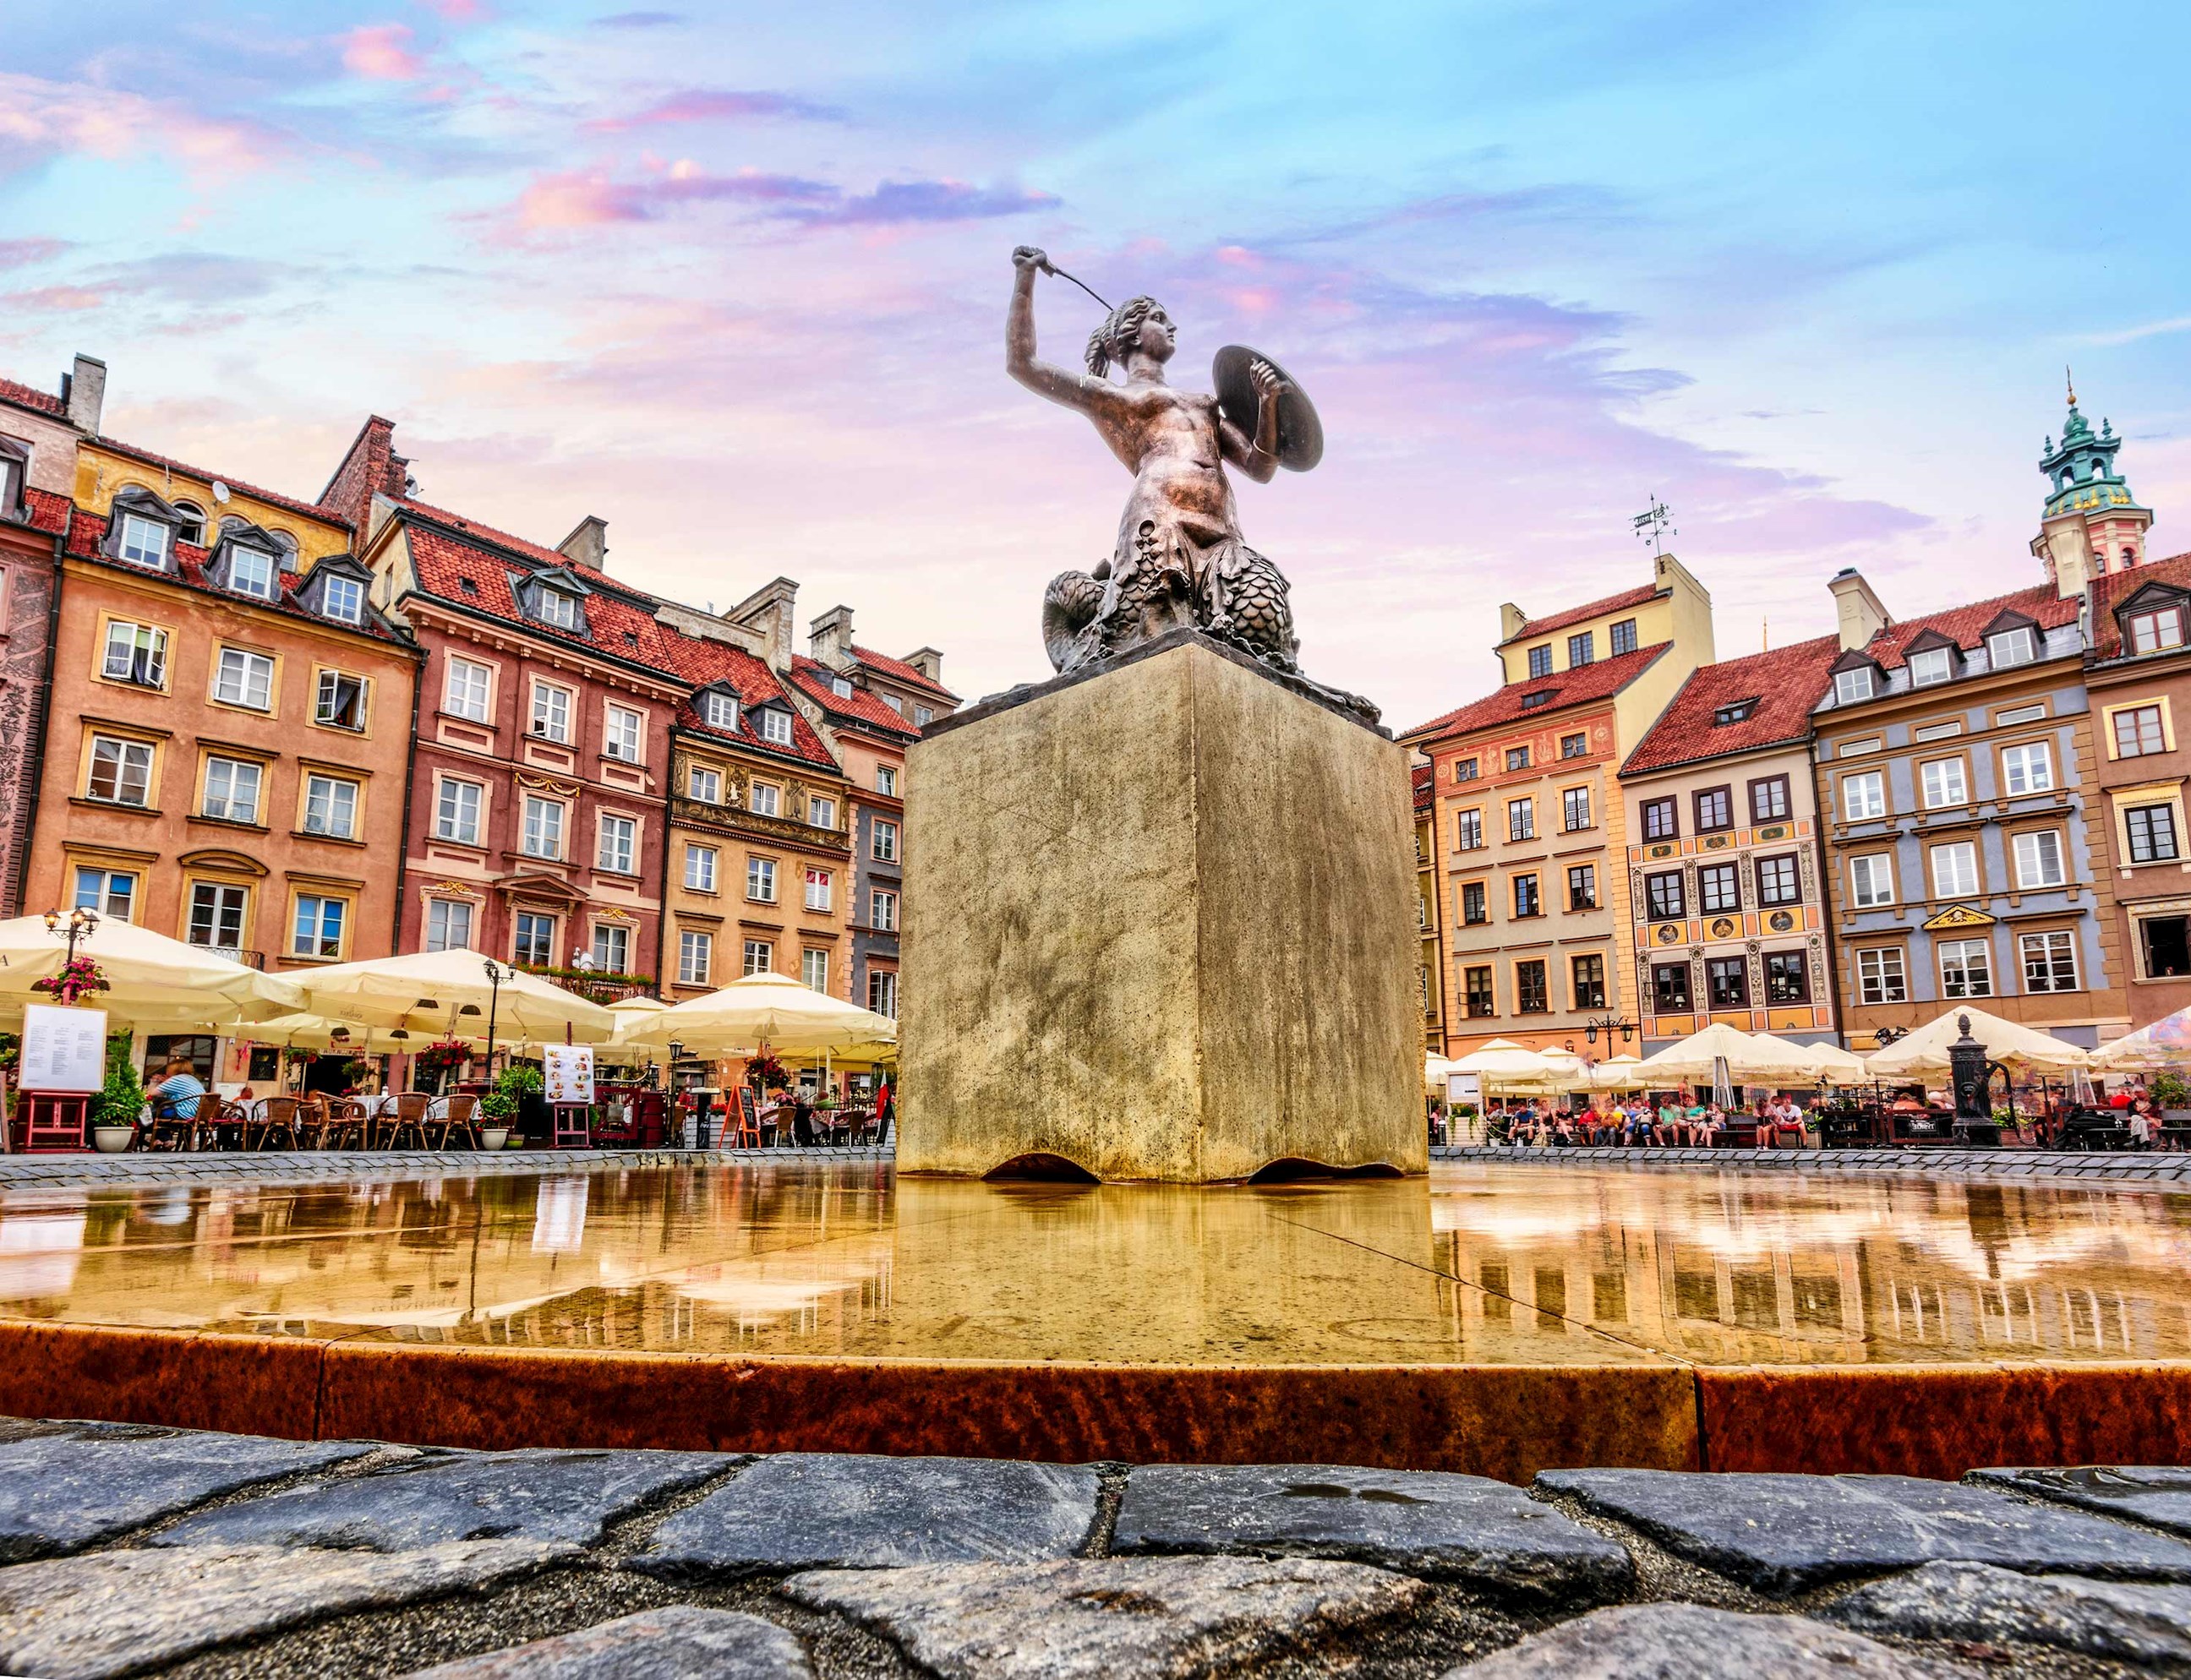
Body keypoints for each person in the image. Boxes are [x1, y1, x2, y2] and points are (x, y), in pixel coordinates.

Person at [148, 1057, 205, 1121]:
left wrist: (154, 1081)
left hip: (184, 1113)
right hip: (197, 1114)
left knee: (149, 1112)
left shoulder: (176, 1079)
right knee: (155, 1108)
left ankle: (149, 1130)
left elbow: (151, 1093)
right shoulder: (193, 1079)